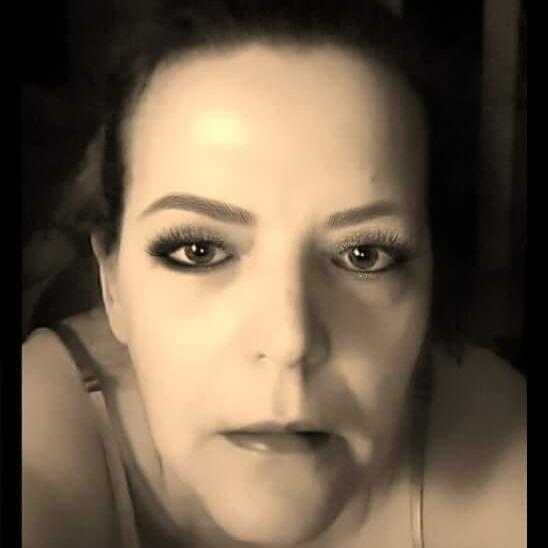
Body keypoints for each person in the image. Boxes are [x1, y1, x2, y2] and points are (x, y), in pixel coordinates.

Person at [22, 1, 526, 547]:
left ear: (430, 280)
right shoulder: (38, 429)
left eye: (364, 256)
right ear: (111, 281)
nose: (290, 342)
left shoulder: (500, 436)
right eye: (198, 251)